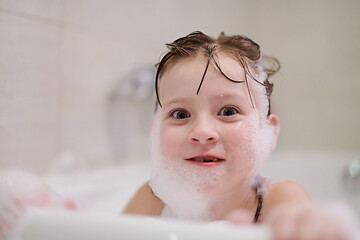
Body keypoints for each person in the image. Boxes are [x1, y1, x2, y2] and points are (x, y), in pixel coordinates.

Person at [123, 31, 358, 239]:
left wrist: (310, 227)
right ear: (155, 131)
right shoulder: (154, 195)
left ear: (270, 131)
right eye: (181, 114)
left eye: (228, 111)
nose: (202, 132)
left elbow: (305, 226)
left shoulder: (278, 199)